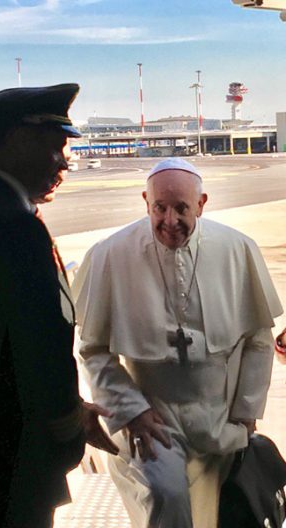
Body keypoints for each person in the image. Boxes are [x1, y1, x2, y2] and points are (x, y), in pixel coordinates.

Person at [0, 84, 117, 528]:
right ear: (18, 141)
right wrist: (70, 423)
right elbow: (39, 351)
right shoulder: (11, 226)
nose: (65, 162)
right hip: (8, 474)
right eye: (56, 147)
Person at [72, 157, 283, 528]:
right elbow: (93, 349)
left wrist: (246, 410)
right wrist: (131, 410)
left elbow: (258, 339)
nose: (170, 221)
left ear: (201, 204)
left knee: (221, 511)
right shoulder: (110, 254)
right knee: (166, 497)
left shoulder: (237, 249)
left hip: (220, 417)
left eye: (182, 208)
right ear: (146, 202)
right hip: (154, 418)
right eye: (160, 208)